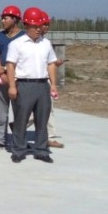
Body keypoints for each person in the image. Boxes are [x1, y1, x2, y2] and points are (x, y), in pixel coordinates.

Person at [6, 7, 59, 164]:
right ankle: (19, 150)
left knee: (42, 119)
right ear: (26, 25)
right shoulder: (17, 44)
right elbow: (10, 65)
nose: (38, 29)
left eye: (40, 26)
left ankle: (41, 150)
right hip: (24, 85)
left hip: (42, 85)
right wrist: (12, 86)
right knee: (21, 119)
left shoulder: (46, 44)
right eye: (34, 26)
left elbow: (51, 64)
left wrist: (53, 84)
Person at [0, 5, 24, 151]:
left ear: (15, 19)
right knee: (1, 112)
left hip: (18, 79)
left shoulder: (24, 37)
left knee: (20, 112)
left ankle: (18, 140)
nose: (3, 21)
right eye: (2, 18)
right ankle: (0, 139)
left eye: (6, 18)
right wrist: (1, 73)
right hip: (1, 79)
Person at [38, 12, 64, 149]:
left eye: (48, 25)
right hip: (32, 81)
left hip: (45, 80)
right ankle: (20, 126)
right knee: (32, 109)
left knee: (49, 108)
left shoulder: (46, 43)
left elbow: (50, 63)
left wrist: (55, 64)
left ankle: (50, 137)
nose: (46, 27)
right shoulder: (26, 42)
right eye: (44, 24)